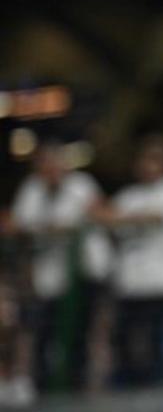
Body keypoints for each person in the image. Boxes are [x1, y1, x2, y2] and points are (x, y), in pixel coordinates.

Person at [92, 135, 163, 386]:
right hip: (130, 283)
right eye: (144, 159)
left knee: (158, 342)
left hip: (162, 282)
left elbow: (152, 217)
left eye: (155, 159)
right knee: (123, 340)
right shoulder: (130, 195)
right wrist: (115, 217)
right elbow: (100, 215)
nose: (147, 165)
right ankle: (128, 389)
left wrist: (117, 217)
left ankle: (159, 389)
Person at [8, 141, 110, 392]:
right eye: (44, 164)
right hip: (50, 276)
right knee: (44, 332)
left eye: (54, 164)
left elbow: (98, 212)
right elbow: (16, 224)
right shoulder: (32, 189)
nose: (50, 170)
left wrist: (50, 228)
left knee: (80, 332)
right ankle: (44, 385)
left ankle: (77, 383)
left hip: (85, 271)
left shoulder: (82, 185)